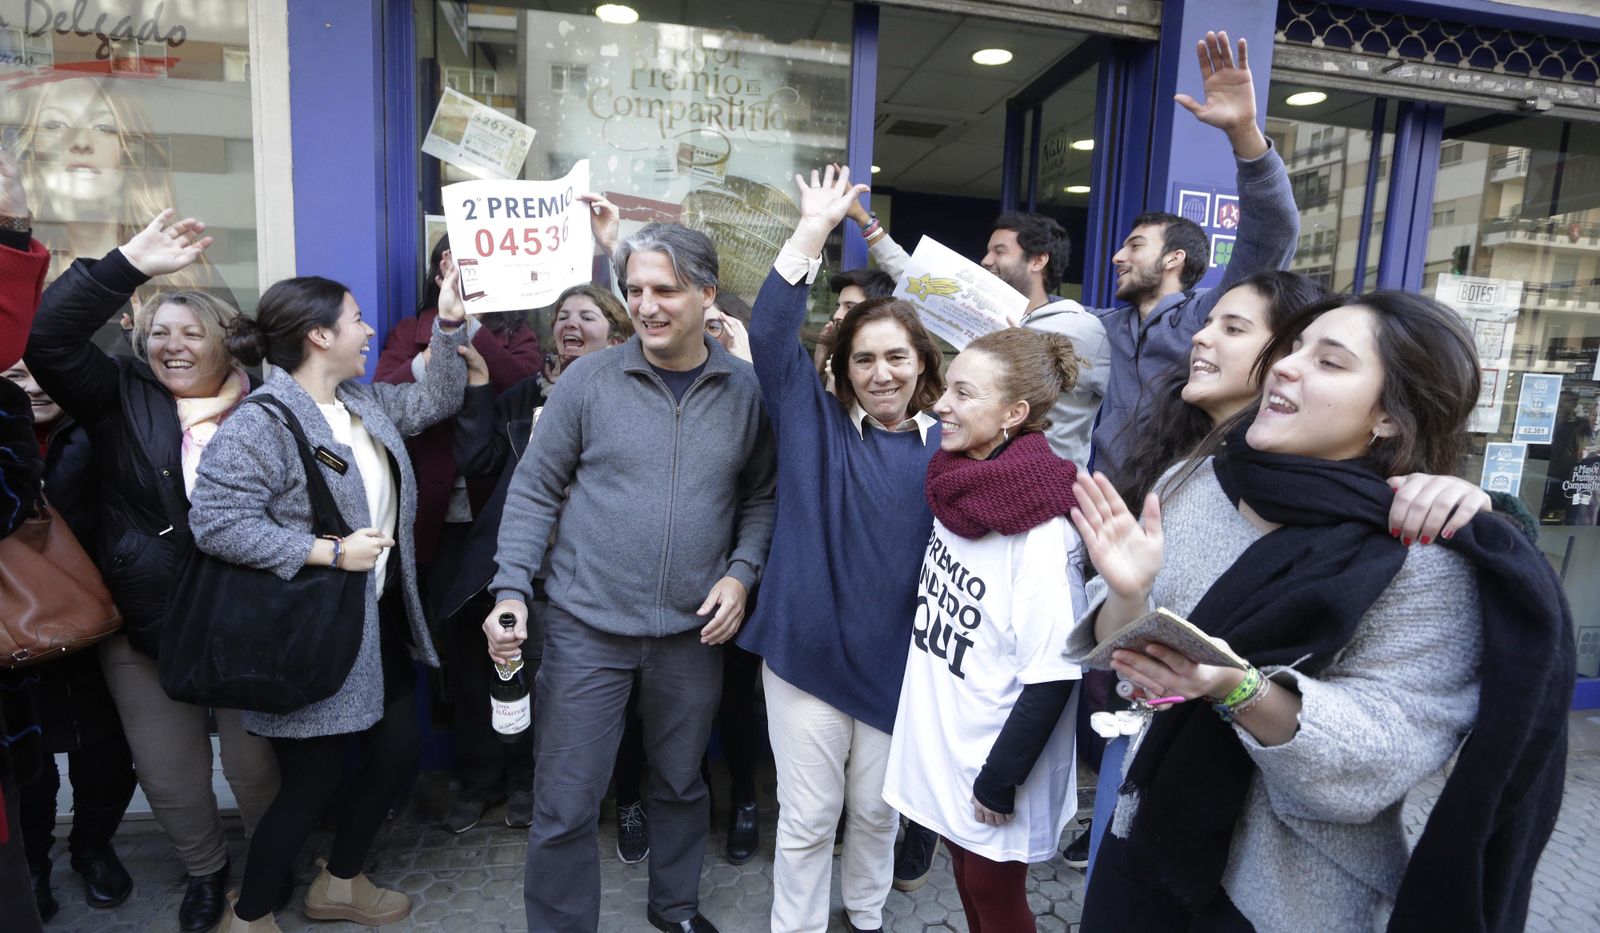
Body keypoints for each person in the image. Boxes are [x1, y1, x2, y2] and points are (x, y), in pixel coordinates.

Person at [1068, 290, 1573, 931]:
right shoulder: (1192, 483)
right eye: (1295, 347)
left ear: (1388, 415)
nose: (1284, 365)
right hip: (1142, 837)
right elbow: (1124, 664)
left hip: (1285, 897)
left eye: (1330, 362)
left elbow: (1383, 753)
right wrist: (1128, 594)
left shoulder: (1421, 554)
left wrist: (1237, 687)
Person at [484, 223, 776, 933]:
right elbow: (535, 489)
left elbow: (763, 496)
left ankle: (674, 908)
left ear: (706, 295)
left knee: (680, 784)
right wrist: (510, 589)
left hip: (692, 633)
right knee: (567, 799)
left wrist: (741, 575)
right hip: (587, 627)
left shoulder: (746, 390)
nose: (645, 305)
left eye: (664, 290)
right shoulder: (589, 380)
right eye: (635, 289)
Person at [190, 267, 476, 931]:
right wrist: (326, 551)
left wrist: (451, 322)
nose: (369, 329)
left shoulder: (361, 402)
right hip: (310, 631)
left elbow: (434, 399)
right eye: (355, 318)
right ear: (320, 335)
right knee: (311, 785)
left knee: (398, 752)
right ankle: (251, 915)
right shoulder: (262, 420)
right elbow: (216, 521)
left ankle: (340, 880)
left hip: (373, 622)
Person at [24, 210, 279, 933]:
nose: (172, 344)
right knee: (169, 772)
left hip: (244, 622)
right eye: (159, 332)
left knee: (255, 767)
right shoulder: (118, 396)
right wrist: (126, 267)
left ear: (227, 343)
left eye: (191, 331)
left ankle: (267, 861)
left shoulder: (268, 405)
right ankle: (205, 872)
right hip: (143, 621)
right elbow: (47, 337)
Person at [737, 164, 947, 933]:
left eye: (897, 357)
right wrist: (813, 230)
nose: (882, 372)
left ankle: (865, 918)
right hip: (806, 653)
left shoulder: (953, 450)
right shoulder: (812, 421)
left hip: (899, 664)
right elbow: (766, 332)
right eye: (865, 359)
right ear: (841, 367)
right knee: (808, 815)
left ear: (922, 362)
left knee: (874, 814)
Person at [883, 327, 1086, 933]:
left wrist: (999, 784)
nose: (941, 404)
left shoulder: (1040, 534)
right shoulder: (962, 484)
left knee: (994, 896)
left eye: (963, 394)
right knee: (967, 879)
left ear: (1013, 413)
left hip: (997, 754)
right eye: (947, 387)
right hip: (951, 733)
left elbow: (1053, 674)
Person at [440, 282, 631, 843]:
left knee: (556, 691)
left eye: (588, 316)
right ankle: (485, 782)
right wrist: (479, 387)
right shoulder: (522, 397)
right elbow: (477, 460)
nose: (571, 324)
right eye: (563, 315)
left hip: (589, 576)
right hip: (516, 570)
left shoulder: (627, 397)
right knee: (496, 679)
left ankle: (536, 786)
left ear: (616, 336)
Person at [374, 237, 541, 834]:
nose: (461, 272)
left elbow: (520, 379)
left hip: (504, 527)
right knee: (466, 666)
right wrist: (441, 337)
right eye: (452, 261)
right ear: (437, 269)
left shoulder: (517, 331)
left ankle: (524, 780)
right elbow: (387, 388)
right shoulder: (407, 330)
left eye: (475, 261)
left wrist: (470, 324)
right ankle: (478, 781)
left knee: (515, 659)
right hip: (438, 530)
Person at [3, 359, 138, 921]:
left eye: (41, 372)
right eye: (13, 378)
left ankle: (92, 847)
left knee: (104, 752)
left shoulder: (100, 421)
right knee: (28, 765)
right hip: (14, 624)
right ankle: (33, 865)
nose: (33, 386)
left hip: (98, 610)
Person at [814, 268, 895, 388]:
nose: (837, 316)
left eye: (849, 307)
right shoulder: (838, 356)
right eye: (839, 306)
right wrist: (820, 361)